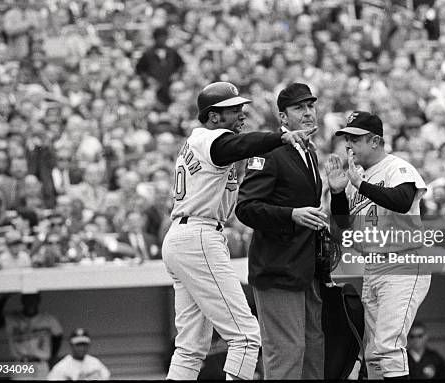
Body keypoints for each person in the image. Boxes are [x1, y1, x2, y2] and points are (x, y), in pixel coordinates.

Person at [161, 81, 316, 380]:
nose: (241, 114)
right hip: (199, 235)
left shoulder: (204, 141)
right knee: (246, 337)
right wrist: (280, 139)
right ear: (214, 116)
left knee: (191, 347)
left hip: (185, 236)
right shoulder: (211, 139)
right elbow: (241, 145)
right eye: (233, 110)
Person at [326, 111, 431, 380]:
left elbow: (402, 200)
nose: (348, 145)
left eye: (355, 139)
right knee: (372, 353)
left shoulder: (397, 167)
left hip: (404, 261)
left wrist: (360, 184)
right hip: (373, 265)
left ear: (375, 141)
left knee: (389, 345)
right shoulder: (354, 176)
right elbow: (342, 226)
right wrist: (338, 193)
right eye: (346, 138)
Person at [236, 82, 327, 380]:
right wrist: (292, 215)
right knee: (287, 354)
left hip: (306, 269)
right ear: (283, 117)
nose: (308, 113)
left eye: (310, 106)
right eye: (299, 108)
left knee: (313, 353)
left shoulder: (309, 152)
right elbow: (246, 207)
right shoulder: (271, 151)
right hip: (277, 270)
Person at [0, 293, 64, 379]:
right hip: (21, 364)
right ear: (22, 301)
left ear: (38, 300)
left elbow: (58, 337)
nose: (30, 302)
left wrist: (52, 357)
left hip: (40, 363)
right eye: (27, 299)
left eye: (33, 299)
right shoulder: (13, 318)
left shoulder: (48, 319)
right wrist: (5, 297)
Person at [135, 26, 185, 106]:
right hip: (154, 85)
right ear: (155, 38)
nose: (162, 40)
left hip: (170, 84)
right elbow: (139, 69)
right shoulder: (148, 53)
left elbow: (181, 65)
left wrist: (177, 74)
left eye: (164, 37)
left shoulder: (172, 52)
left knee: (178, 90)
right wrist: (148, 79)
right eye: (159, 37)